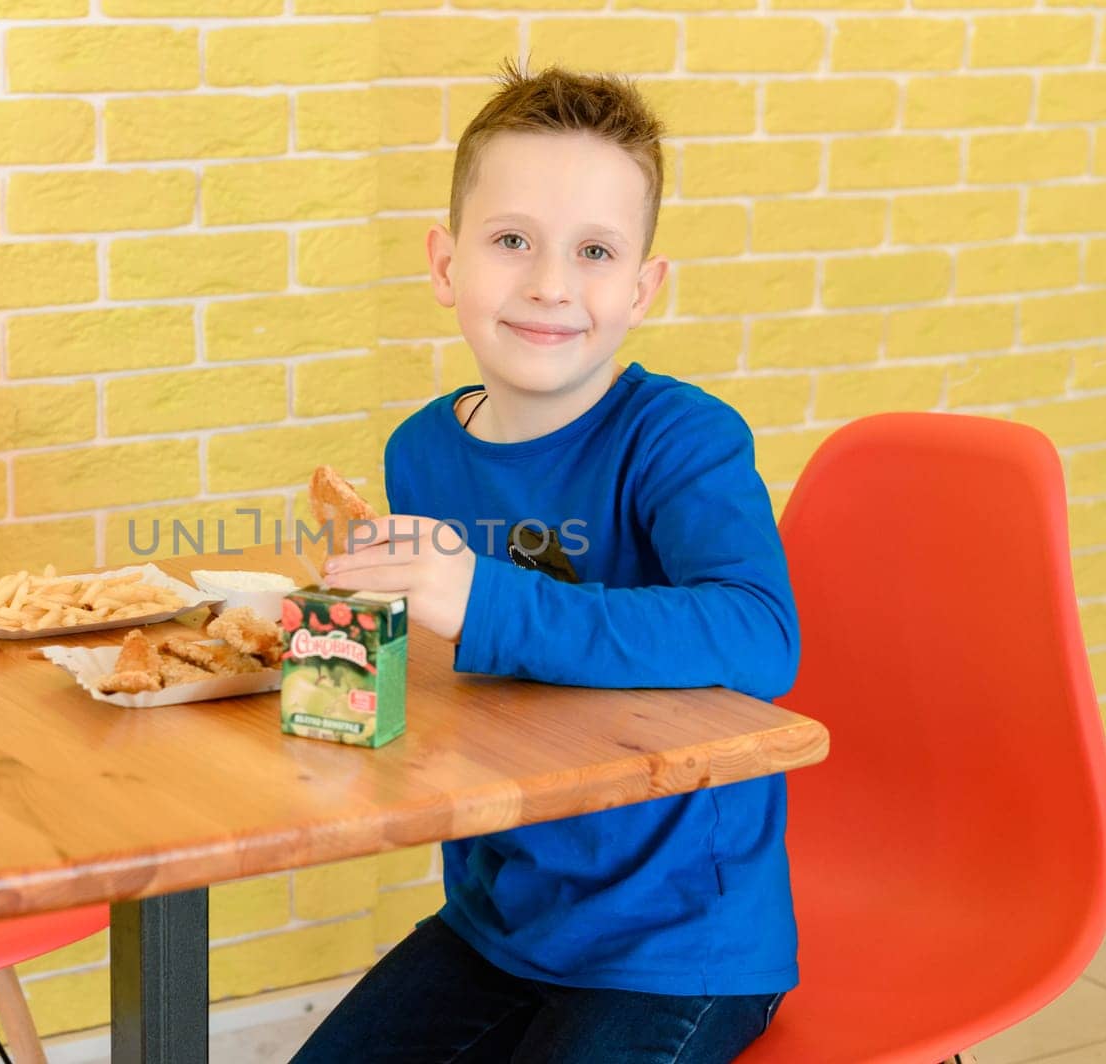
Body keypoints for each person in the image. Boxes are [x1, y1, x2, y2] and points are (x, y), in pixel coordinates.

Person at [290, 60, 801, 1064]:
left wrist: (479, 593)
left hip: (677, 943)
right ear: (445, 266)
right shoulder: (421, 452)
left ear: (644, 286)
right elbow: (474, 677)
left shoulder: (681, 440)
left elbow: (761, 633)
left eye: (595, 249)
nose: (551, 283)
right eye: (512, 239)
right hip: (500, 924)